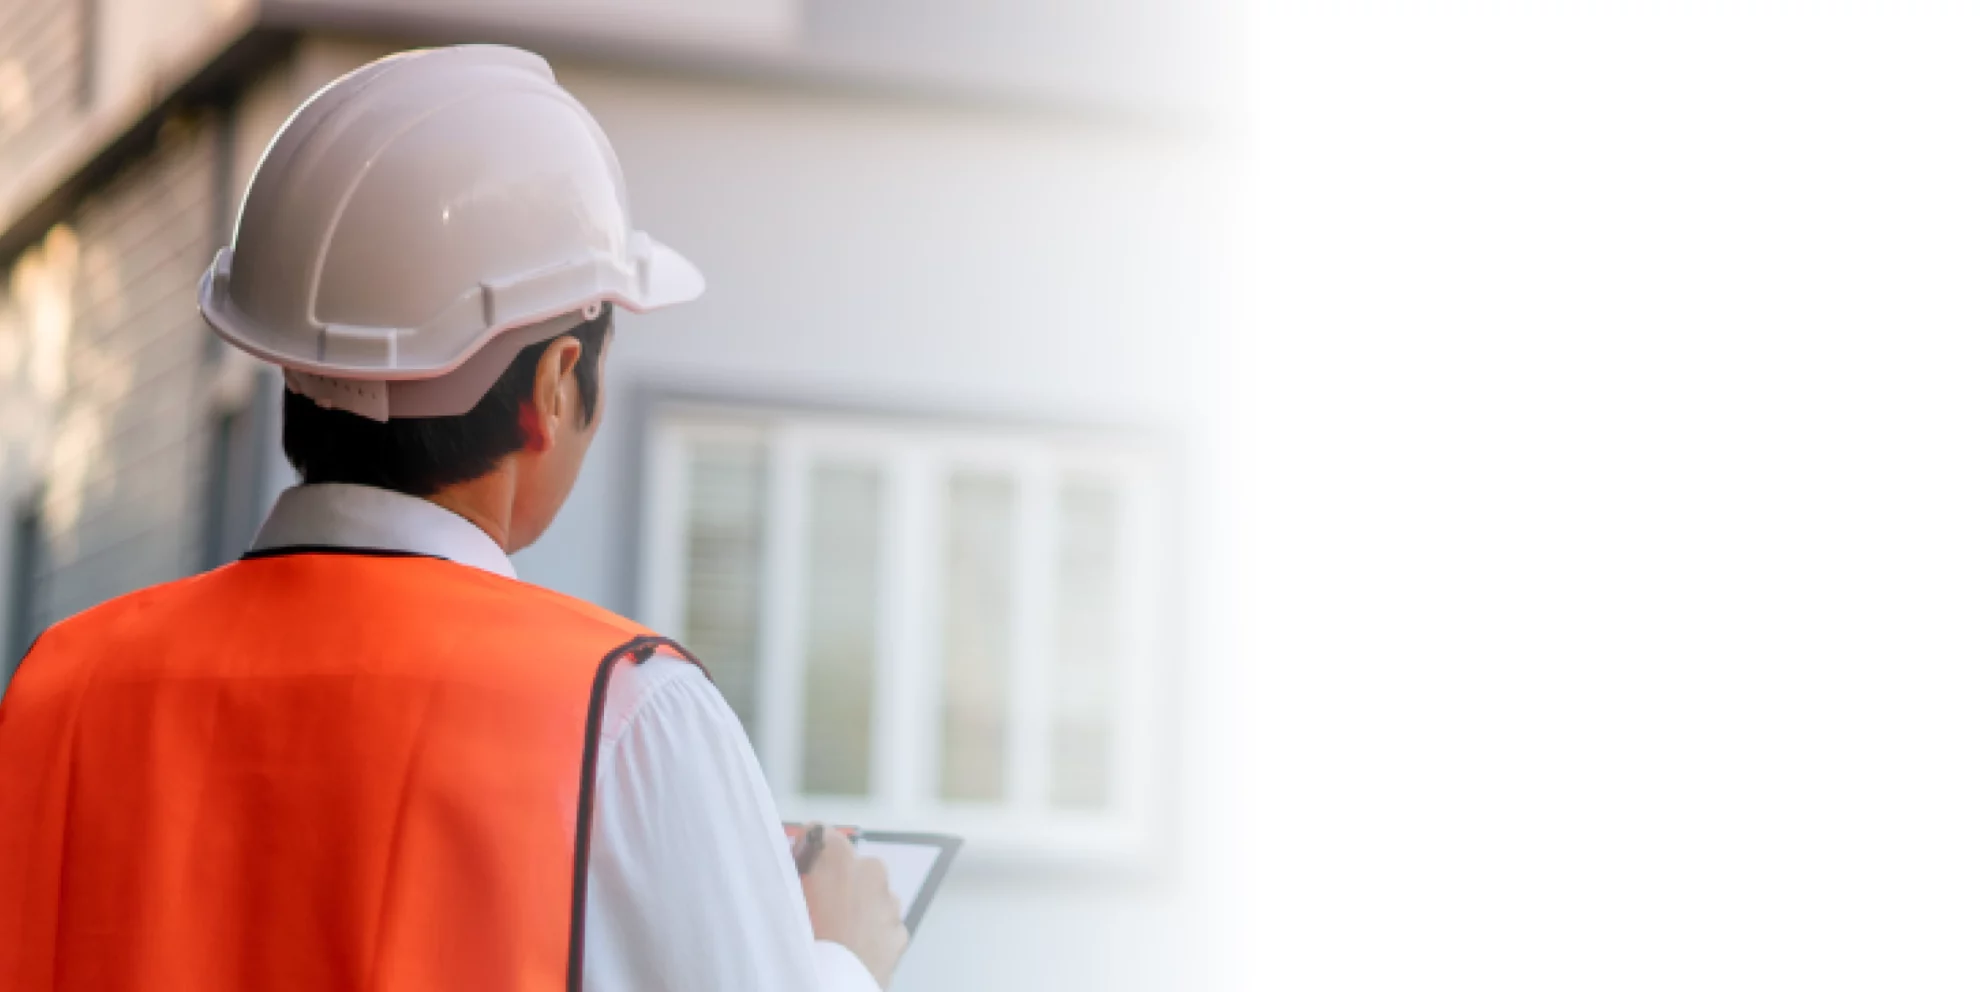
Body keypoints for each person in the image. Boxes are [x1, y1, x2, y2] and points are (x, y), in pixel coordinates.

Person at [0, 45, 908, 991]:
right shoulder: (628, 716)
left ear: (287, 367)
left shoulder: (60, 687)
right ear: (557, 385)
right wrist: (836, 955)